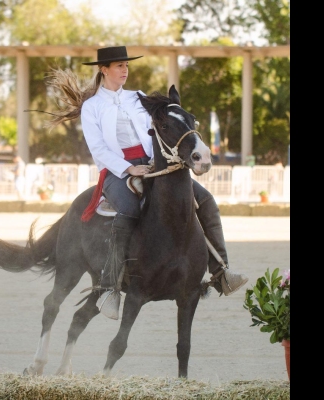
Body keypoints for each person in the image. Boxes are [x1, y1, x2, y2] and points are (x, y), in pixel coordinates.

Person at [45, 46, 248, 319]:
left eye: (126, 65)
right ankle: (110, 287)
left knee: (206, 200)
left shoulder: (139, 98)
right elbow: (99, 149)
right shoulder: (92, 107)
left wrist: (159, 161)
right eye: (119, 65)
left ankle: (221, 271)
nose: (124, 70)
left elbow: (160, 130)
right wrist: (130, 168)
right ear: (103, 70)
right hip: (118, 172)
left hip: (155, 164)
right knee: (128, 209)